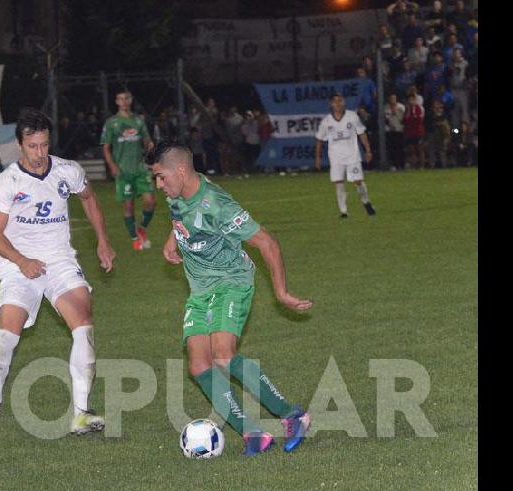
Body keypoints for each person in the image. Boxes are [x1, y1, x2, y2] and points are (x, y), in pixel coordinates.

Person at [145, 139, 314, 456]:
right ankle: (253, 434)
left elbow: (268, 243)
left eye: (161, 177)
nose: (159, 184)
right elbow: (179, 215)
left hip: (231, 282)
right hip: (200, 290)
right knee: (198, 366)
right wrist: (173, 238)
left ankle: (294, 415)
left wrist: (281, 293)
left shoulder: (218, 205)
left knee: (223, 355)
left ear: (181, 170)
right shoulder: (178, 193)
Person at [0, 108, 116, 440]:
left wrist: (102, 241)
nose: (40, 154)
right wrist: (23, 261)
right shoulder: (6, 183)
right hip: (16, 263)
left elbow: (89, 198)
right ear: (20, 145)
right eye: (32, 146)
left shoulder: (68, 170)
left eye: (44, 145)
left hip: (58, 260)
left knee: (83, 325)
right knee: (6, 339)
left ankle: (81, 413)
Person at [100, 89, 156, 251]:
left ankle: (142, 228)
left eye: (126, 98)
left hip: (140, 169)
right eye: (120, 99)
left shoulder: (139, 121)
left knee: (150, 201)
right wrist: (112, 166)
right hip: (123, 171)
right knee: (129, 206)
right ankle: (134, 238)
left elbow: (147, 141)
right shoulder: (112, 123)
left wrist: (150, 146)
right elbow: (106, 148)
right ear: (116, 102)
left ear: (130, 100)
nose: (123, 101)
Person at [314, 94, 376, 218]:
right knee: (339, 182)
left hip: (352, 155)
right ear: (331, 104)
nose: (337, 103)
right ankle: (343, 211)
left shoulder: (352, 117)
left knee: (358, 181)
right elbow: (320, 140)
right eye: (335, 101)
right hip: (336, 157)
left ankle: (366, 201)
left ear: (343, 102)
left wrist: (368, 150)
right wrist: (318, 157)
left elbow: (361, 133)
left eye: (340, 101)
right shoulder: (326, 121)